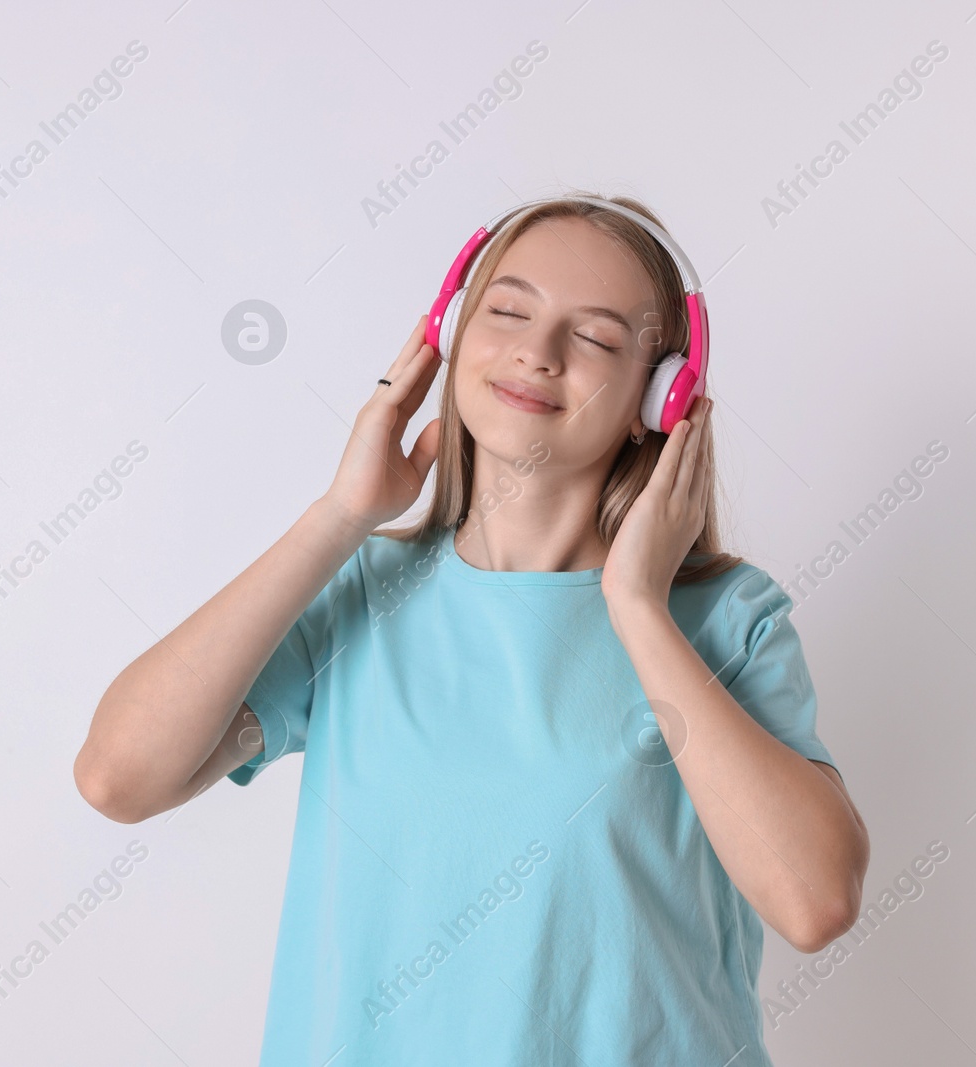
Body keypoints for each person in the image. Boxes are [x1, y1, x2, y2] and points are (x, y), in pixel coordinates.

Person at [73, 192, 870, 1065]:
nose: (538, 350)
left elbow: (813, 901)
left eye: (597, 337)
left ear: (662, 398)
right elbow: (119, 778)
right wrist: (341, 515)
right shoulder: (359, 592)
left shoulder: (726, 618)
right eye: (508, 310)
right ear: (448, 330)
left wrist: (638, 606)